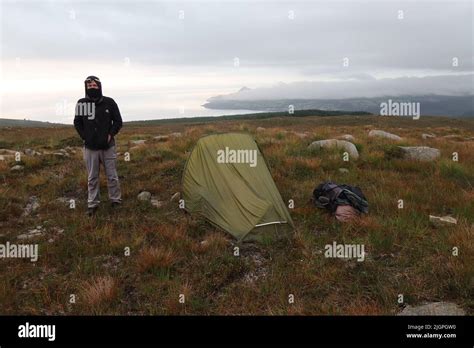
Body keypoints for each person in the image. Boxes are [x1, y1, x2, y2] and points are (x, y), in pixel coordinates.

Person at [73, 76, 123, 216]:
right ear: (86, 88)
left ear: (100, 86)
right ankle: (93, 204)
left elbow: (118, 121)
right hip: (90, 147)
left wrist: (110, 134)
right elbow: (77, 123)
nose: (92, 87)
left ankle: (115, 200)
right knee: (92, 177)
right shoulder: (82, 103)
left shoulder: (109, 102)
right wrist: (85, 136)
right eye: (90, 86)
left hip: (108, 146)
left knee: (112, 176)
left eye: (95, 85)